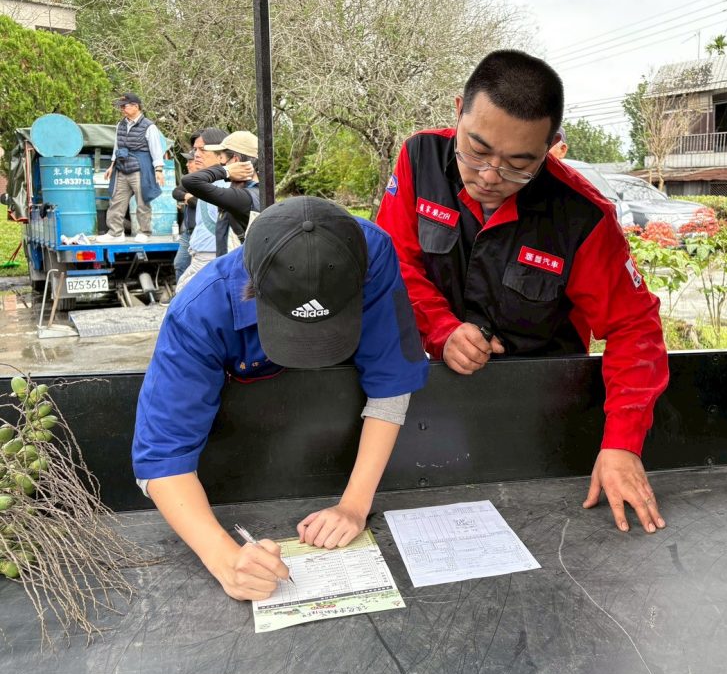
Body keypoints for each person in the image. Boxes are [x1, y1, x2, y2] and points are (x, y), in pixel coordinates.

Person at [376, 50, 670, 535]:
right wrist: (443, 330)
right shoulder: (418, 159)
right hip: (430, 405)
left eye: (519, 164)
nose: (490, 177)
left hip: (543, 419)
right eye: (477, 150)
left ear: (551, 146)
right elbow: (396, 265)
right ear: (458, 111)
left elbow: (634, 326)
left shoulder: (582, 218)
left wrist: (621, 443)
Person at [132, 196, 429, 600]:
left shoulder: (370, 253)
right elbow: (161, 456)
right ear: (251, 287)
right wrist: (225, 559)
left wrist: (354, 505)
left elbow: (391, 382)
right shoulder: (201, 309)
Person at [98, 93, 165, 243]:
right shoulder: (120, 124)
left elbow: (156, 150)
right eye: (121, 106)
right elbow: (117, 146)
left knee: (143, 201)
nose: (122, 109)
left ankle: (144, 232)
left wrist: (158, 170)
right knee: (116, 200)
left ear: (136, 106)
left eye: (125, 106)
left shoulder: (149, 126)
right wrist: (111, 165)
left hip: (140, 169)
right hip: (121, 168)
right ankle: (115, 233)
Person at [181, 130, 261, 257]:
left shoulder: (243, 197)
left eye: (222, 158)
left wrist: (226, 171)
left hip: (237, 273)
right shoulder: (256, 192)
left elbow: (190, 181)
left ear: (236, 160)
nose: (220, 162)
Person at [174, 128, 229, 290]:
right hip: (199, 254)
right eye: (195, 149)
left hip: (211, 257)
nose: (196, 154)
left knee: (183, 298)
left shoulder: (224, 186)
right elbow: (179, 189)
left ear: (222, 155)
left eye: (203, 149)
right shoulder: (210, 183)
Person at [172, 148, 200, 282]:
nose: (187, 164)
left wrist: (191, 199)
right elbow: (176, 193)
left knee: (200, 270)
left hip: (201, 232)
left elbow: (202, 204)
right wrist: (187, 196)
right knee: (180, 264)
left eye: (191, 161)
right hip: (187, 233)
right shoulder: (189, 180)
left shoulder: (210, 181)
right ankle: (180, 298)